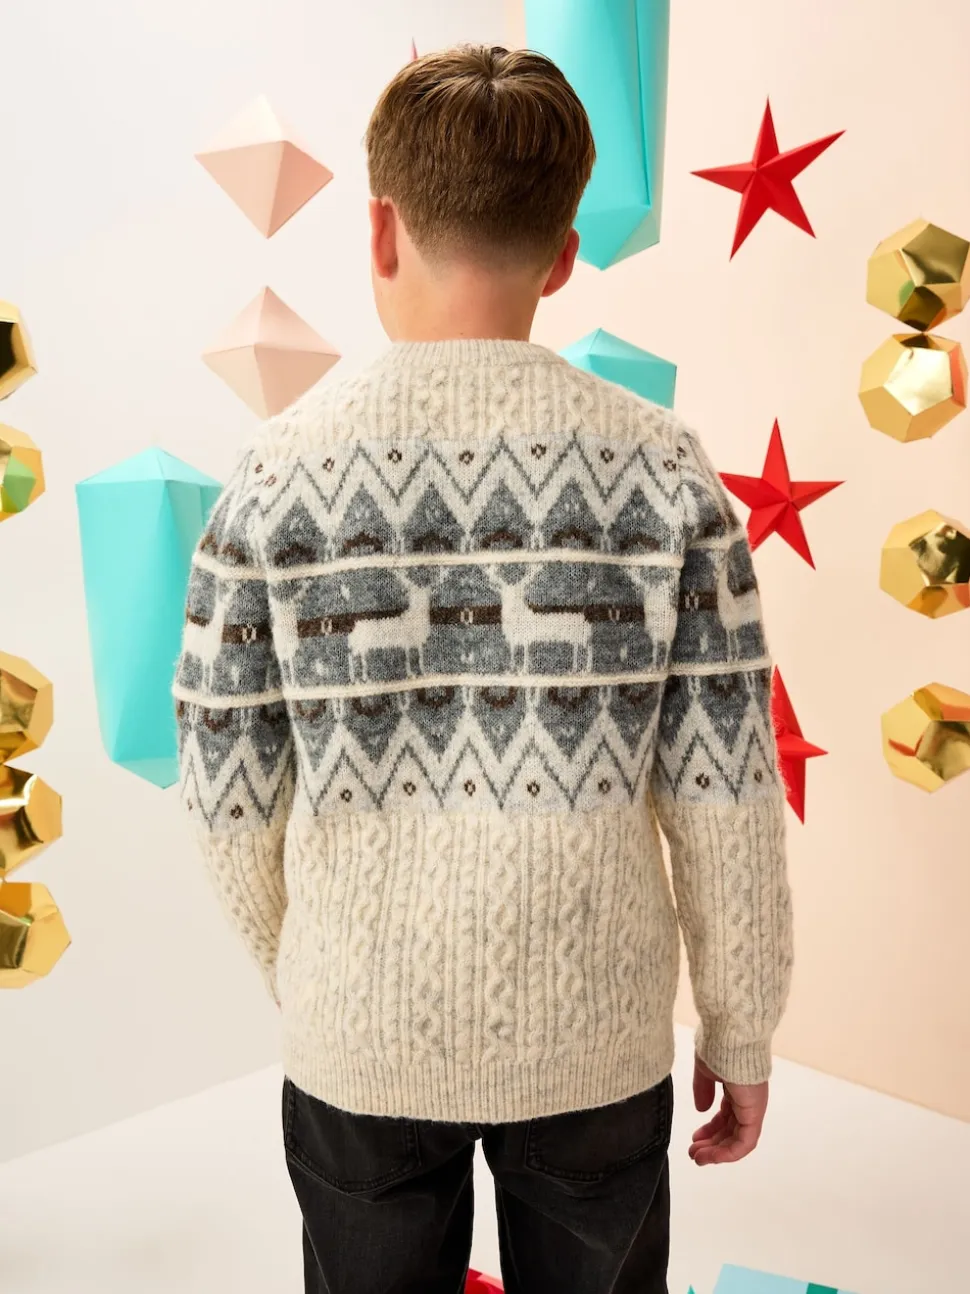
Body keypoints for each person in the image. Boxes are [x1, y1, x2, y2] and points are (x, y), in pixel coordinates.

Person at [174, 44, 793, 1294]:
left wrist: (321, 972)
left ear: (378, 229)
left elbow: (226, 786)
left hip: (357, 1039)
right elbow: (726, 785)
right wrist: (741, 1023)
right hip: (596, 1035)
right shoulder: (663, 470)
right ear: (563, 253)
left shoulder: (276, 475)